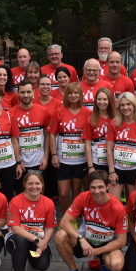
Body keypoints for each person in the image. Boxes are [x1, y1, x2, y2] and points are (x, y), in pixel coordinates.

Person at [56, 170, 128, 271]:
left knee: (116, 266)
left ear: (107, 186)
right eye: (93, 187)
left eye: (100, 187)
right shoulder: (83, 197)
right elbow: (64, 222)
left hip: (107, 243)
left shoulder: (118, 208)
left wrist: (95, 252)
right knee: (60, 235)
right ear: (89, 187)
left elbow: (121, 241)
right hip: (86, 240)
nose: (96, 191)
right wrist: (81, 239)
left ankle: (103, 262)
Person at [6, 172, 57, 271]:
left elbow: (50, 228)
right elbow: (15, 228)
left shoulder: (49, 203)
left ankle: (31, 263)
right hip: (17, 238)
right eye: (30, 183)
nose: (34, 187)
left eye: (37, 183)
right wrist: (36, 240)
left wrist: (43, 243)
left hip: (38, 240)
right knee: (20, 241)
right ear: (24, 185)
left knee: (42, 265)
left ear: (42, 185)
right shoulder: (15, 201)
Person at [47, 82, 92, 215]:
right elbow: (52, 134)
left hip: (80, 160)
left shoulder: (88, 113)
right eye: (70, 93)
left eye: (76, 93)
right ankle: (66, 218)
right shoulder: (59, 112)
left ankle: (74, 218)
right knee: (64, 193)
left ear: (80, 95)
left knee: (77, 191)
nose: (73, 95)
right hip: (62, 160)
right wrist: (54, 154)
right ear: (66, 95)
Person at [107, 92, 136, 200]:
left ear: (134, 106)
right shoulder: (114, 124)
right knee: (114, 204)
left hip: (135, 170)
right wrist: (111, 171)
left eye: (128, 104)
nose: (125, 108)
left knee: (133, 205)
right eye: (122, 105)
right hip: (117, 169)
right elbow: (109, 149)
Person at [9, 80, 51, 193]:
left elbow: (47, 135)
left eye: (28, 92)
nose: (26, 95)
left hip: (39, 161)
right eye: (22, 92)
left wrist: (46, 157)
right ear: (17, 93)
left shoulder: (43, 111)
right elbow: (11, 141)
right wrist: (18, 162)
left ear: (33, 92)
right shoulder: (11, 113)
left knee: (39, 192)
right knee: (21, 193)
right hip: (21, 163)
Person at [83, 87, 116, 174]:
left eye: (105, 99)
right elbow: (87, 145)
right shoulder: (91, 119)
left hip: (115, 162)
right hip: (97, 162)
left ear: (110, 100)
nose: (102, 102)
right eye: (99, 99)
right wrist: (90, 166)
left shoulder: (116, 118)